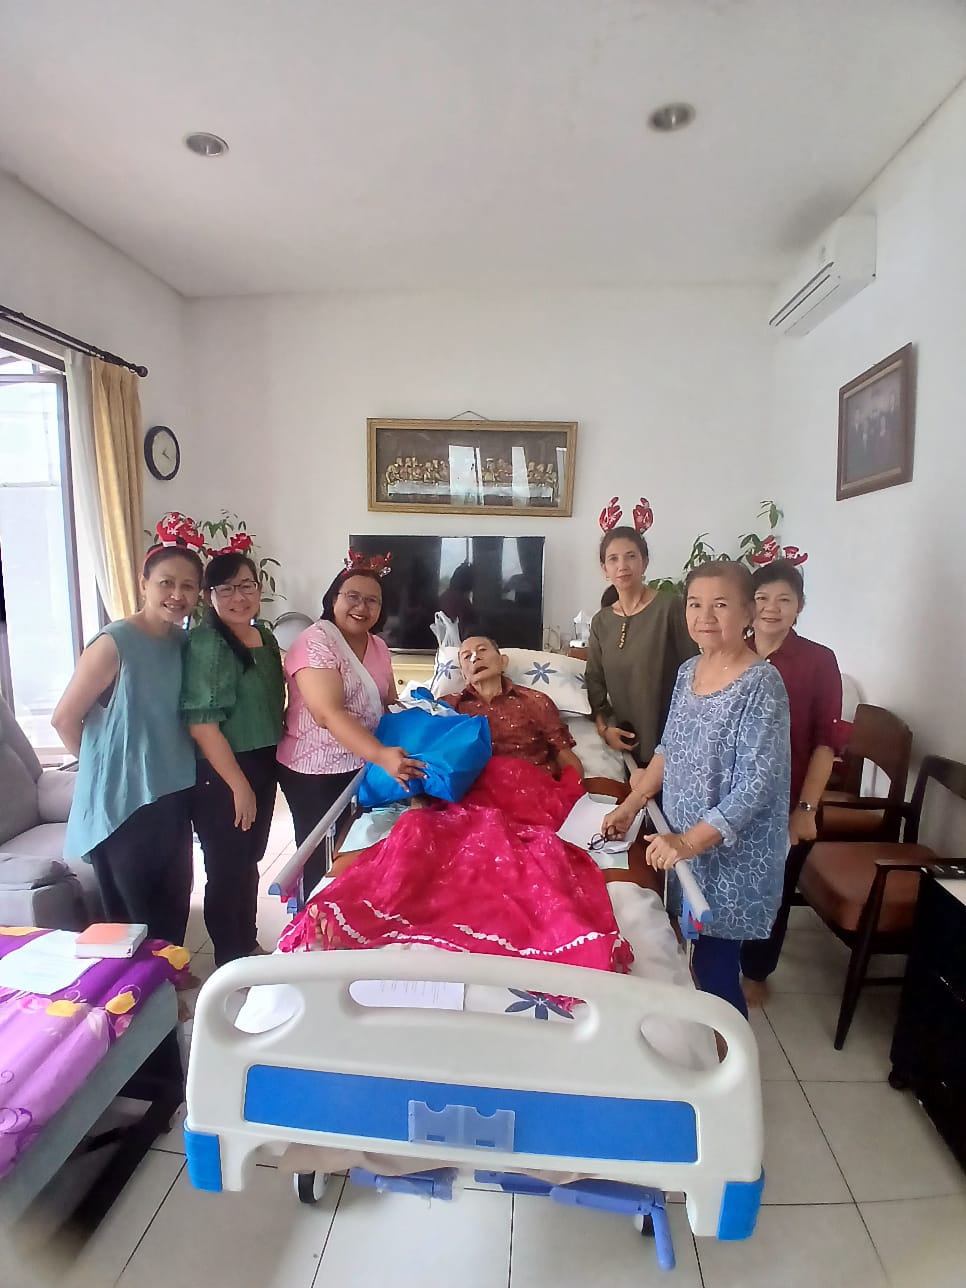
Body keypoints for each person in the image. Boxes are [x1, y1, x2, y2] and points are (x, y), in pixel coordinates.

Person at [602, 561, 790, 1016]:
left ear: (747, 613)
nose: (704, 616)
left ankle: (731, 1052)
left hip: (733, 857)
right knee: (690, 956)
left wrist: (688, 842)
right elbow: (669, 748)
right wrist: (632, 803)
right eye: (695, 604)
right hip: (685, 847)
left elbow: (756, 785)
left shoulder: (761, 684)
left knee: (715, 970)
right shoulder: (689, 671)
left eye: (720, 605)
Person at [52, 519, 204, 947]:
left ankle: (169, 976)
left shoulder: (183, 644)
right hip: (123, 802)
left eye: (188, 586)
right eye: (166, 583)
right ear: (143, 583)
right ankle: (134, 987)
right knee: (131, 917)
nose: (177, 595)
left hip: (172, 792)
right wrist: (102, 769)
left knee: (173, 901)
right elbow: (65, 718)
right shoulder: (114, 642)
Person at [275, 553, 424, 883]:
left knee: (355, 851)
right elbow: (328, 713)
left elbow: (388, 703)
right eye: (352, 596)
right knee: (320, 859)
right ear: (333, 599)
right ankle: (313, 913)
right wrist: (382, 755)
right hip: (315, 771)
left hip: (363, 766)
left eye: (372, 601)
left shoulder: (379, 646)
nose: (361, 607)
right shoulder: (315, 642)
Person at [740, 559, 843, 1007]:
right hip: (730, 797)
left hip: (787, 799)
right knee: (726, 882)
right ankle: (717, 960)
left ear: (799, 607)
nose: (771, 608)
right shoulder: (731, 651)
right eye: (762, 598)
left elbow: (825, 742)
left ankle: (757, 970)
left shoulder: (818, 661)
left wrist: (806, 809)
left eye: (784, 599)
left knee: (773, 891)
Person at [180, 548, 285, 967]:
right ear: (209, 595)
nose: (239, 597)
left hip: (262, 762)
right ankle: (229, 958)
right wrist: (238, 785)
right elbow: (202, 723)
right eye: (226, 589)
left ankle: (248, 945)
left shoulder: (265, 637)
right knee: (226, 866)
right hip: (222, 770)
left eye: (247, 586)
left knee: (249, 860)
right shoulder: (208, 643)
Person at [586, 525, 697, 766]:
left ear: (644, 563)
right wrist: (604, 730)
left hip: (672, 744)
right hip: (625, 744)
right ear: (604, 568)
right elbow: (594, 680)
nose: (622, 566)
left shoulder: (670, 608)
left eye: (631, 556)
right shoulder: (601, 621)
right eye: (613, 559)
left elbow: (693, 673)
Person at [444, 636, 583, 777]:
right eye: (467, 656)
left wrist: (574, 787)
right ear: (464, 675)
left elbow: (563, 753)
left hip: (534, 785)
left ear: (503, 662)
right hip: (473, 787)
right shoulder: (447, 708)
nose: (475, 658)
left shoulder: (536, 701)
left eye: (482, 650)